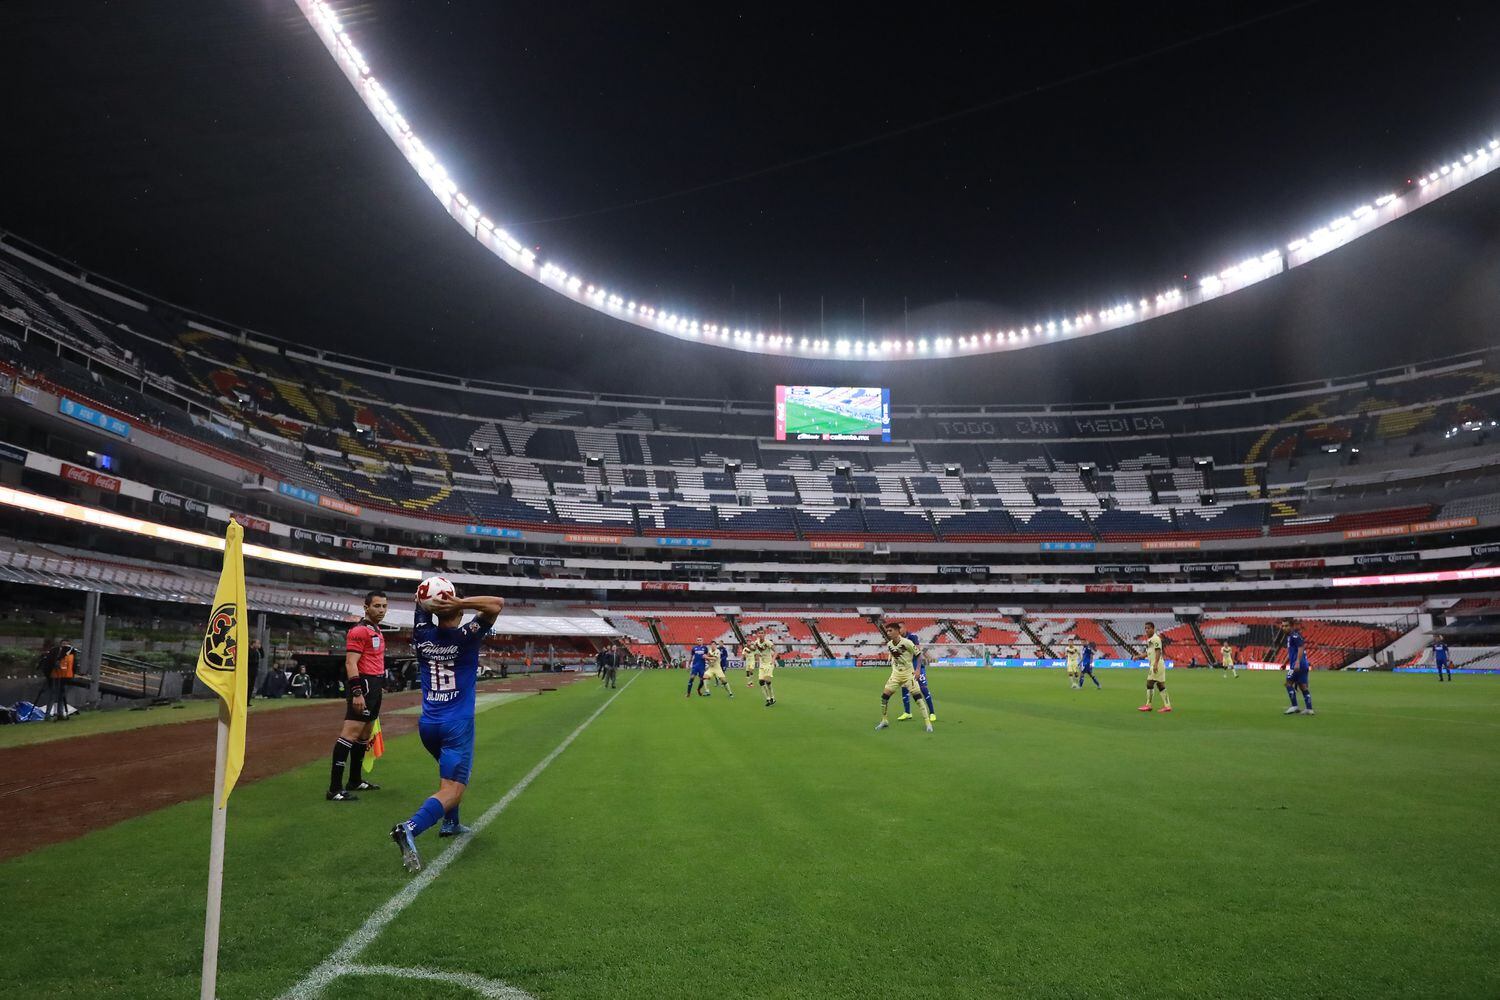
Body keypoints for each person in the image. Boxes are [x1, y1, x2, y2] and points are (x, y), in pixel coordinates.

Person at [391, 591, 505, 873]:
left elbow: (420, 603)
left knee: (448, 776)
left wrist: (431, 599)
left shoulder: (421, 634)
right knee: (452, 789)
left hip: (428, 724)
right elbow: (496, 604)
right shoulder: (467, 635)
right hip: (456, 724)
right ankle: (409, 828)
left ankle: (451, 823)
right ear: (458, 612)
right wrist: (459, 601)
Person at [327, 591, 388, 802]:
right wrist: (357, 692)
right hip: (364, 685)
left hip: (375, 685)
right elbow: (350, 663)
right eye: (377, 606)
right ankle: (334, 789)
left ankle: (354, 780)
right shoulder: (359, 631)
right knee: (349, 734)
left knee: (364, 735)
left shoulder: (376, 630)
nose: (381, 610)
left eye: (384, 606)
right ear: (366, 607)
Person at [876, 622, 932, 733]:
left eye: (890, 630)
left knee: (918, 698)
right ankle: (884, 720)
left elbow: (919, 655)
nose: (888, 633)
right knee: (884, 697)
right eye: (887, 631)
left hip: (908, 674)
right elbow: (894, 653)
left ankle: (927, 722)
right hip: (896, 675)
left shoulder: (907, 643)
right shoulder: (889, 644)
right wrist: (891, 659)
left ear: (897, 631)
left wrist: (917, 670)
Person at [897, 626, 936, 721]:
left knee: (923, 689)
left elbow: (918, 652)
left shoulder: (912, 637)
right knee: (905, 689)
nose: (899, 630)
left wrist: (918, 669)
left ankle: (932, 713)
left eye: (901, 628)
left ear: (905, 628)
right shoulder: (898, 639)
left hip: (917, 667)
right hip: (906, 668)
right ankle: (907, 712)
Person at [1137, 622, 1172, 714]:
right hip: (1158, 664)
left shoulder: (1155, 639)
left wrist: (1155, 664)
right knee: (1161, 685)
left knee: (1149, 683)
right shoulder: (1150, 640)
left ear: (1153, 629)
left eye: (1148, 628)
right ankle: (1167, 706)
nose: (1147, 630)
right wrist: (1138, 656)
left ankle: (1148, 705)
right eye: (1145, 628)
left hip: (1157, 664)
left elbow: (1158, 651)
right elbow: (1149, 653)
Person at [39, 639, 77, 722]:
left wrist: (73, 674)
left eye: (67, 645)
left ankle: (60, 713)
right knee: (52, 695)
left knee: (62, 696)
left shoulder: (71, 654)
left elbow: (73, 665)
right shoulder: (56, 653)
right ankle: (48, 715)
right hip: (55, 677)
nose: (65, 646)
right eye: (63, 644)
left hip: (65, 677)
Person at [1279, 619, 1312, 715]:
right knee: (1303, 686)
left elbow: (1301, 648)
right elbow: (1292, 653)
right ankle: (1309, 709)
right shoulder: (1290, 637)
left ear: (1292, 626)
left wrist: (1297, 662)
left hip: (1298, 664)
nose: (1284, 628)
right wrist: (1285, 663)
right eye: (1283, 626)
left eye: (1286, 626)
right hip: (1304, 664)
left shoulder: (1294, 636)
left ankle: (1294, 706)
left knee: (1288, 683)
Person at [747, 633, 777, 706]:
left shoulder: (768, 643)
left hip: (769, 664)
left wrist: (773, 660)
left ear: (764, 635)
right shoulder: (756, 642)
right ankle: (768, 699)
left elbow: (776, 651)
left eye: (762, 634)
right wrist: (749, 646)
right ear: (758, 635)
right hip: (762, 665)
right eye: (759, 634)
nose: (760, 635)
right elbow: (754, 649)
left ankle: (773, 697)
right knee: (761, 682)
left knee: (767, 681)